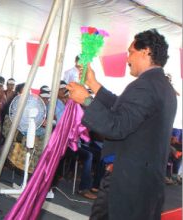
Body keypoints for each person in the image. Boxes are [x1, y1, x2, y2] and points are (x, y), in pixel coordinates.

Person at [66, 29, 177, 220]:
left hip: (128, 182)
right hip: (145, 180)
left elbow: (116, 126)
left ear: (145, 52)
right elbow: (124, 107)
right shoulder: (161, 85)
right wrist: (93, 84)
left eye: (130, 52)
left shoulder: (144, 85)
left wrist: (86, 101)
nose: (127, 59)